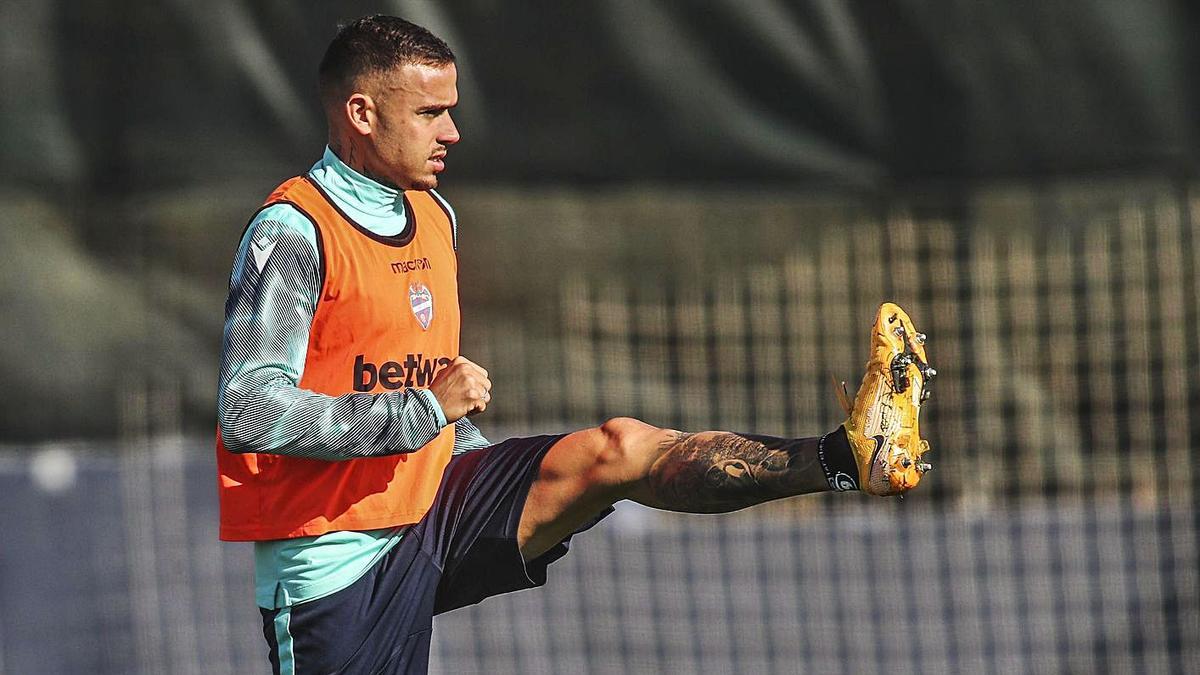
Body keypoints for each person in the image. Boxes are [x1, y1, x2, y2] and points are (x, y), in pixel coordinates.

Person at [216, 14, 936, 674]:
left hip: (433, 501)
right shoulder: (292, 232)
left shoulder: (434, 215)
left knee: (615, 449)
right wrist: (421, 409)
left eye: (452, 111)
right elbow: (249, 408)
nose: (452, 133)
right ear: (362, 114)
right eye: (430, 113)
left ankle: (843, 455)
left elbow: (422, 389)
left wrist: (467, 449)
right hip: (333, 561)